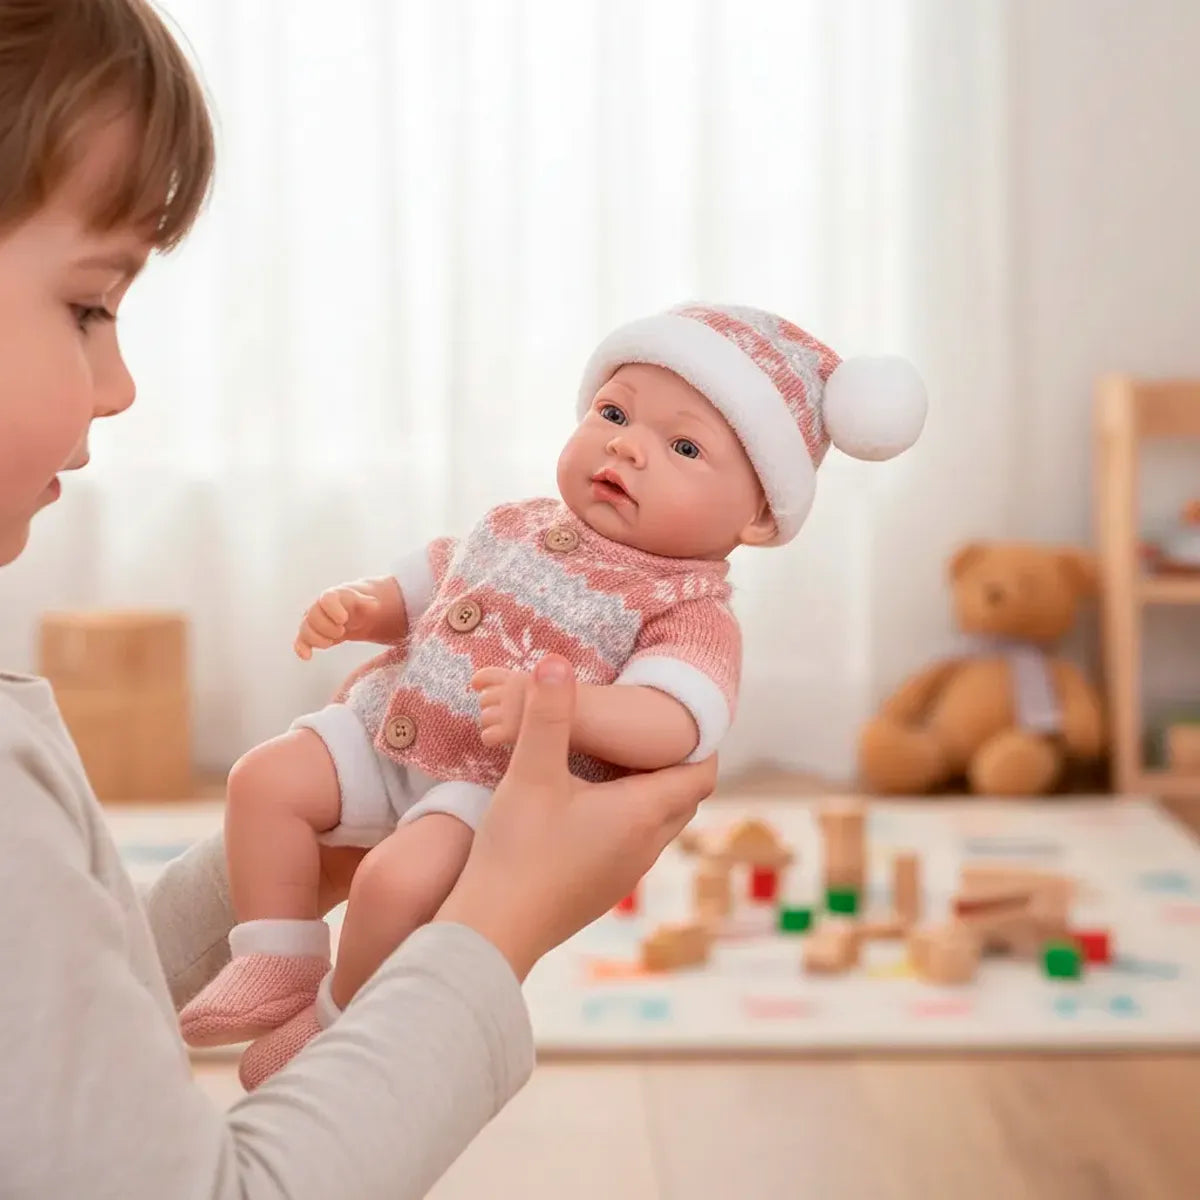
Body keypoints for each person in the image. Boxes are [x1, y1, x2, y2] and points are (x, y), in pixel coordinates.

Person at [0, 2, 717, 1198]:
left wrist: (266, 879)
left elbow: (37, 1019)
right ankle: (317, 1005)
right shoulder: (511, 531)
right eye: (87, 305)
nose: (120, 385)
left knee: (294, 807)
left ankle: (294, 982)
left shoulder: (685, 605)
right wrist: (498, 927)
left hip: (424, 772)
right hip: (438, 783)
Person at [181, 293, 926, 1090]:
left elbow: (678, 722)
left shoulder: (688, 608)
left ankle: (333, 1018)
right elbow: (437, 575)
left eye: (682, 446)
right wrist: (367, 605)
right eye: (614, 412)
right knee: (263, 779)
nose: (628, 448)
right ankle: (277, 956)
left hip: (490, 789)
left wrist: (567, 709)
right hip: (387, 728)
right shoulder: (516, 521)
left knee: (392, 884)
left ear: (756, 515)